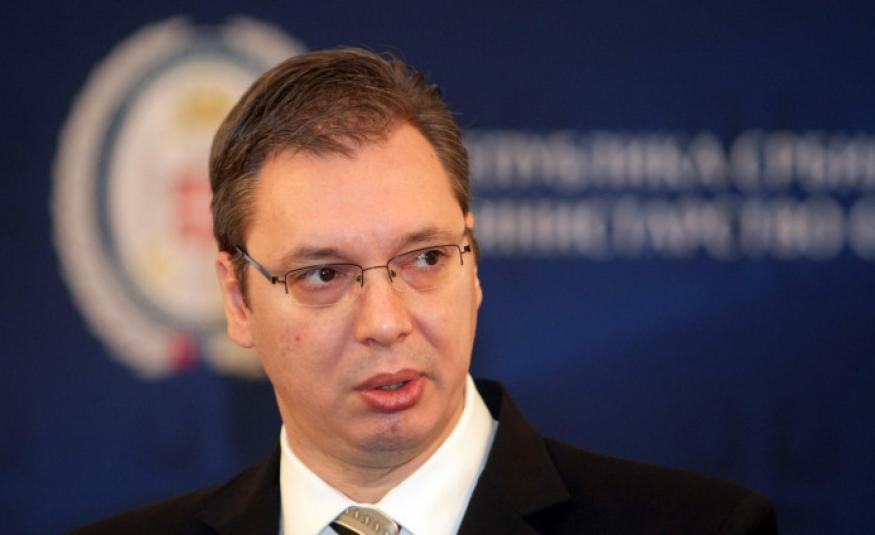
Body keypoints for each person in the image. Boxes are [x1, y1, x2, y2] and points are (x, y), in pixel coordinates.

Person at [70, 47, 777, 534]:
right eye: (323, 274)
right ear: (236, 298)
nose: (385, 322)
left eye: (426, 257)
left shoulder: (702, 526)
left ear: (474, 262)